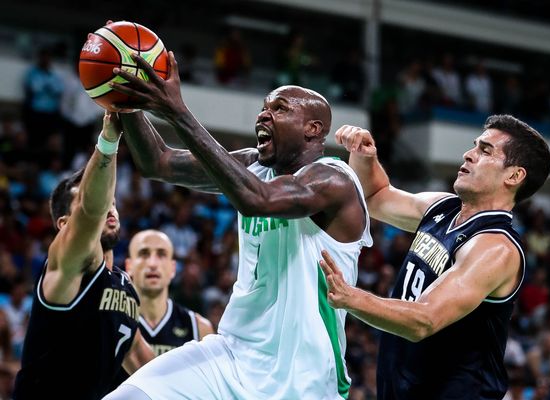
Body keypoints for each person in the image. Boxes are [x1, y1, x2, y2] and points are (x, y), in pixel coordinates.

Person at [103, 51, 372, 400]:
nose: (263, 114)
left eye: (280, 108)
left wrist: (177, 111)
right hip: (232, 354)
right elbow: (159, 162)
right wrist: (127, 99)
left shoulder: (334, 180)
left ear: (313, 129)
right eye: (264, 107)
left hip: (303, 377)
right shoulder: (254, 166)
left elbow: (257, 199)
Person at [319, 116, 550, 399]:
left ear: (514, 176)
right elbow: (374, 198)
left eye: (485, 151)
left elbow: (425, 320)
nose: (469, 154)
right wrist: (364, 157)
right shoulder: (444, 207)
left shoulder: (495, 247)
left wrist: (349, 297)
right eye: (475, 146)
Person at [13, 112, 155, 399]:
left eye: (112, 202)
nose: (109, 207)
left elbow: (142, 359)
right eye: (103, 201)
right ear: (64, 225)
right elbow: (91, 211)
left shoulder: (125, 286)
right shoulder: (69, 264)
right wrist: (108, 141)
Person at [125, 229, 214, 355]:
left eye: (161, 254)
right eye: (144, 254)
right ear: (129, 266)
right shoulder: (112, 322)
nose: (152, 264)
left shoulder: (199, 328)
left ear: (173, 268)